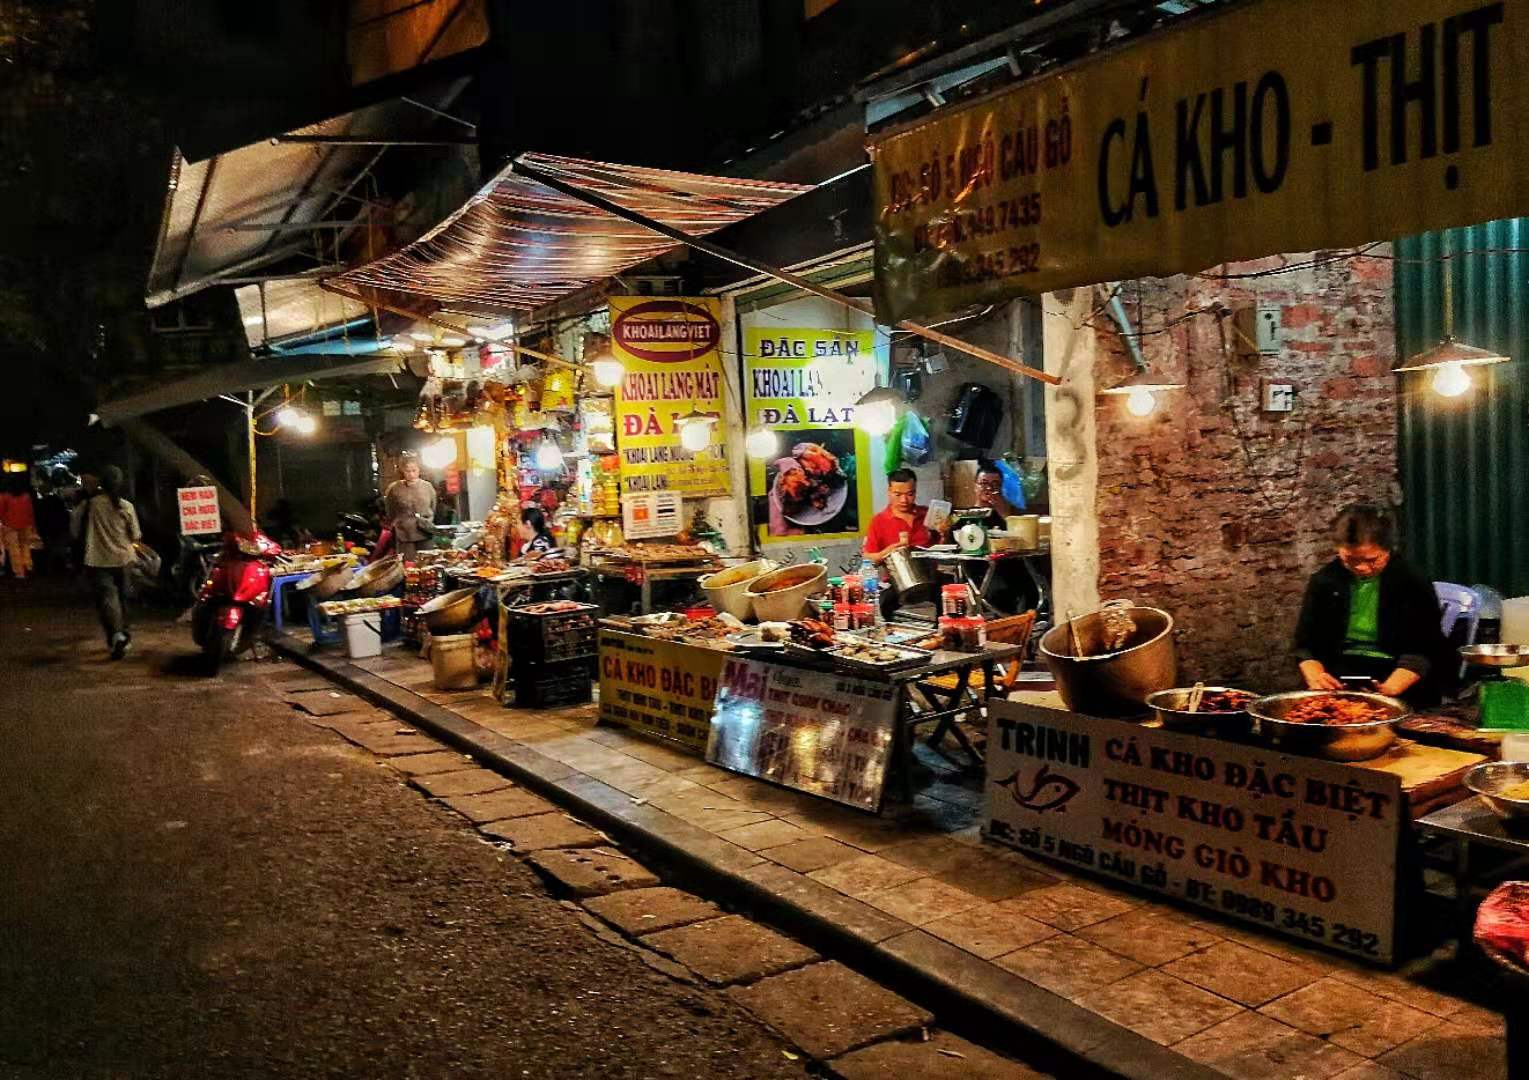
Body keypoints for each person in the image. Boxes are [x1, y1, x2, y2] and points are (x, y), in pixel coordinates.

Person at [1293, 503, 1451, 705]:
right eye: (1350, 560)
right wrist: (1316, 676)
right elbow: (1305, 644)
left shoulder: (1412, 582)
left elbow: (1425, 646)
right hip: (1340, 673)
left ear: (1388, 550)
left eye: (1372, 560)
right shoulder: (1324, 581)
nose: (1361, 568)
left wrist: (1389, 690)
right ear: (1338, 550)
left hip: (1398, 673)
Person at [75, 465, 141, 660]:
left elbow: (74, 527)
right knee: (123, 598)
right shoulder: (126, 506)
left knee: (107, 600)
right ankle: (123, 635)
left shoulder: (89, 505)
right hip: (124, 559)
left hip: (98, 560)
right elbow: (136, 534)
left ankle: (116, 635)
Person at [863, 468, 937, 566]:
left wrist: (945, 533)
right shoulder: (879, 521)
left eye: (910, 494)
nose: (904, 500)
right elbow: (868, 559)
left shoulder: (927, 514)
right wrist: (886, 553)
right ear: (889, 491)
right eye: (898, 494)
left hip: (931, 576)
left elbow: (944, 549)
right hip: (896, 578)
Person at [383, 454, 437, 561]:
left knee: (428, 563)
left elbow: (433, 507)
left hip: (425, 531)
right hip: (404, 533)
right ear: (403, 471)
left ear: (419, 470)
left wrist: (426, 520)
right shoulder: (394, 489)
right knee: (408, 565)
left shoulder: (427, 487)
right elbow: (390, 510)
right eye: (408, 471)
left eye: (414, 470)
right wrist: (398, 523)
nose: (411, 474)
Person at [0, 474, 37, 579]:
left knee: (14, 549)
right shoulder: (26, 496)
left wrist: (4, 521)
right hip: (26, 525)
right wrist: (33, 524)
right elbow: (30, 512)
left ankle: (19, 572)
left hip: (9, 525)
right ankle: (28, 566)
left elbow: (1, 512)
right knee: (25, 547)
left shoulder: (4, 496)